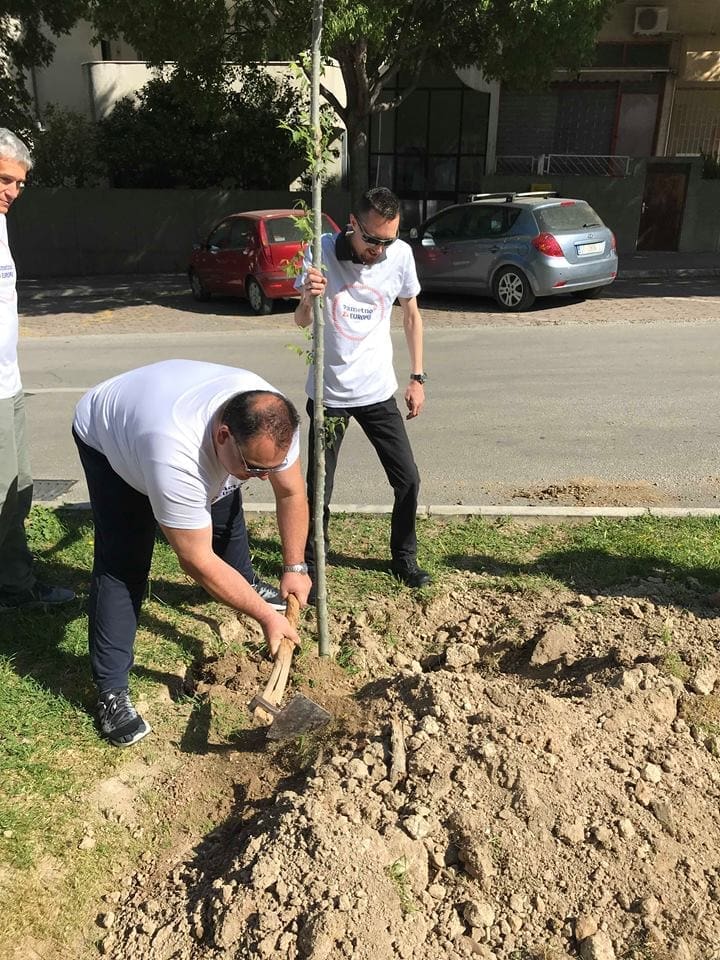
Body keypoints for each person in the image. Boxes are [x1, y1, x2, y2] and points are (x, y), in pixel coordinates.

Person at [72, 359, 312, 747]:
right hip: (110, 433)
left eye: (273, 466)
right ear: (223, 435)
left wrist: (295, 566)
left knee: (225, 495)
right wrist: (267, 616)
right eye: (256, 468)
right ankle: (111, 692)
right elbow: (196, 560)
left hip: (167, 408)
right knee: (124, 562)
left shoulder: (273, 421)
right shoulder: (173, 452)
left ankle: (244, 581)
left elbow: (290, 492)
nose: (265, 477)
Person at [295, 186, 432, 590]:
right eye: (373, 240)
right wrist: (307, 298)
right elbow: (301, 321)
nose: (380, 250)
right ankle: (313, 564)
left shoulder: (400, 256)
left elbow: (411, 316)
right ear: (353, 224)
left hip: (377, 392)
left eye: (388, 240)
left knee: (408, 479)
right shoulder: (320, 251)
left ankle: (404, 558)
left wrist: (417, 377)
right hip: (329, 395)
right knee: (319, 488)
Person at [0, 128, 75, 611]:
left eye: (20, 184)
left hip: (9, 383)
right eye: (4, 180)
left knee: (18, 489)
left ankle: (14, 584)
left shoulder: (0, 223)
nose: (13, 192)